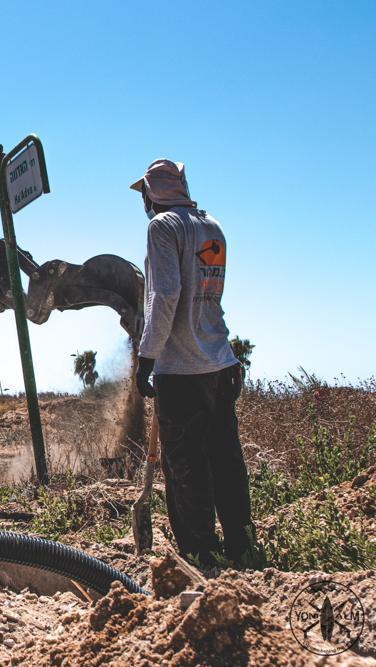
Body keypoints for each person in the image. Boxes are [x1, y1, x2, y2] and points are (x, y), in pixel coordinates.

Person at [130, 159, 258, 568]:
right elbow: (210, 298)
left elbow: (165, 295)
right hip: (220, 363)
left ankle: (200, 553)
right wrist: (229, 356)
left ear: (152, 193)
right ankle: (242, 542)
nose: (144, 202)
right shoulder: (213, 227)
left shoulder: (162, 228)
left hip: (181, 370)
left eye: (144, 194)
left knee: (186, 467)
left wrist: (147, 355)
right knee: (226, 457)